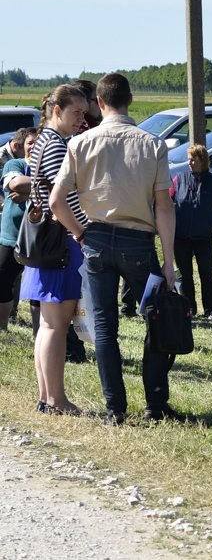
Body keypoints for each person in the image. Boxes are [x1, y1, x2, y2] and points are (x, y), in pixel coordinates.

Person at [53, 75, 178, 425]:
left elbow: (56, 201)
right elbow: (164, 207)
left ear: (99, 101)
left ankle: (115, 408)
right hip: (138, 241)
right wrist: (169, 261)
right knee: (157, 320)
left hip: (96, 240)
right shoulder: (153, 144)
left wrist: (79, 234)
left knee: (105, 327)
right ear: (130, 100)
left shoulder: (80, 143)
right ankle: (155, 402)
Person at [25, 86, 87, 416]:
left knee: (48, 324)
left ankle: (45, 397)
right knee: (55, 325)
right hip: (60, 241)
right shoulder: (56, 145)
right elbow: (62, 199)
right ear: (57, 110)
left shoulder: (45, 141)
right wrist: (82, 232)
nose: (82, 118)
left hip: (47, 242)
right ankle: (56, 399)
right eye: (77, 112)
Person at [168, 144, 212, 321]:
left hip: (204, 238)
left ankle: (211, 310)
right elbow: (167, 203)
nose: (190, 162)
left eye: (194, 159)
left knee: (207, 275)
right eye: (189, 159)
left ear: (203, 161)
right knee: (185, 275)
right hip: (181, 237)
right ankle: (189, 309)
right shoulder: (179, 180)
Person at [0, 128, 36, 329]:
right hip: (11, 237)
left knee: (37, 290)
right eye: (30, 143)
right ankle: (2, 327)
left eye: (37, 143)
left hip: (38, 241)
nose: (33, 147)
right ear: (22, 146)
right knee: (3, 281)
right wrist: (45, 186)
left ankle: (39, 332)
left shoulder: (48, 168)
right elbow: (15, 184)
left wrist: (29, 192)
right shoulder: (15, 164)